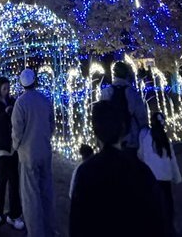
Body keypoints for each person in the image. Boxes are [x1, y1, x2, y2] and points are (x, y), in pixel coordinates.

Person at [70, 99, 167, 237]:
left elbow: (77, 225)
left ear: (96, 132)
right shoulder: (140, 170)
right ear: (123, 129)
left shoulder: (85, 173)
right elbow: (159, 221)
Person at [12, 68, 56, 237]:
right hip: (44, 150)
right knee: (46, 191)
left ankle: (36, 232)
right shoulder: (44, 100)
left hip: (28, 153)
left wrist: (16, 146)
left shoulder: (20, 103)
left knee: (30, 195)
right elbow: (51, 124)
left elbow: (17, 130)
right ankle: (49, 229)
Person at [0, 77, 24, 229]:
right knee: (3, 178)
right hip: (1, 145)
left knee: (14, 180)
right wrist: (4, 113)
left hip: (13, 145)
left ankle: (14, 214)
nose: (7, 91)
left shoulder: (12, 101)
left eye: (8, 88)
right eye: (4, 88)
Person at [138, 108, 182, 237]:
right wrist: (177, 177)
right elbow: (172, 159)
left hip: (152, 178)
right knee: (168, 205)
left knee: (157, 206)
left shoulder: (144, 136)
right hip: (165, 178)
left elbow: (140, 155)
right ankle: (170, 229)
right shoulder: (164, 138)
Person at [109, 60, 148, 153]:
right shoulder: (131, 92)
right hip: (131, 138)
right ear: (127, 74)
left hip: (113, 139)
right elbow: (141, 116)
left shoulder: (106, 92)